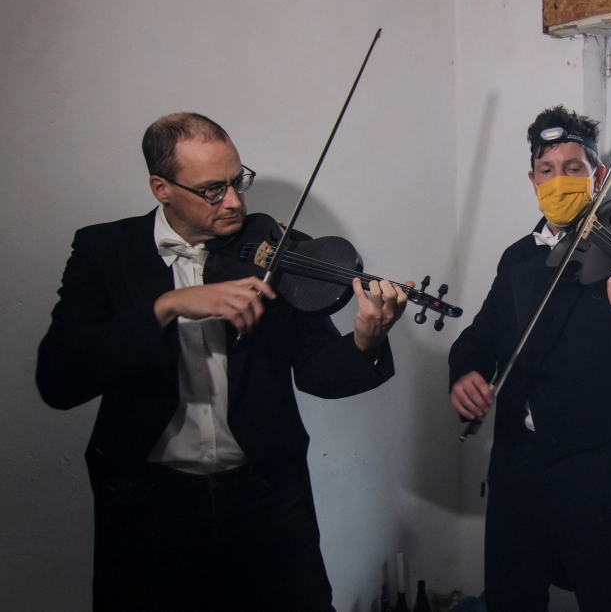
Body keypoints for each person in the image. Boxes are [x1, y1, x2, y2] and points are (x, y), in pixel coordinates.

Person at [36, 113, 413, 612]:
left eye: (238, 181)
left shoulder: (274, 250)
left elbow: (318, 371)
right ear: (162, 188)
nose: (234, 201)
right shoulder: (103, 251)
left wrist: (365, 339)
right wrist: (167, 307)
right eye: (213, 190)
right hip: (147, 504)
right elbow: (60, 380)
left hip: (265, 496)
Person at [448, 106, 611, 612]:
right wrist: (466, 371)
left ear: (597, 177)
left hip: (597, 473)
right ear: (533, 179)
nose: (559, 180)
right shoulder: (518, 257)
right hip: (519, 466)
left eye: (573, 168)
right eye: (547, 169)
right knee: (511, 597)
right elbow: (480, 336)